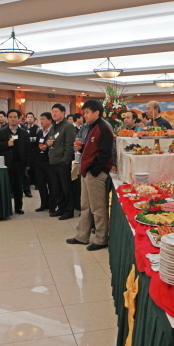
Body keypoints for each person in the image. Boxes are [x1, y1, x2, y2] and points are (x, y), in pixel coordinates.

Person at [67, 99, 114, 251]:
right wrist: (82, 150)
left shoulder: (104, 127)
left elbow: (106, 153)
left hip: (95, 173)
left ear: (96, 112)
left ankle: (101, 239)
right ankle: (82, 236)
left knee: (98, 208)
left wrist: (95, 170)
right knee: (85, 206)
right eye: (84, 112)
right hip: (86, 171)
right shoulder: (90, 127)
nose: (84, 115)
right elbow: (92, 149)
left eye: (87, 112)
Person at [0, 109, 32, 215]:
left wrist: (28, 164)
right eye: (10, 117)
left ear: (19, 119)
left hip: (19, 163)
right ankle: (6, 208)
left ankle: (18, 207)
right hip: (6, 163)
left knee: (19, 187)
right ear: (7, 118)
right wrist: (6, 144)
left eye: (15, 117)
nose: (12, 119)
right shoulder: (1, 132)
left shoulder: (24, 133)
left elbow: (28, 149)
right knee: (6, 187)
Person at [47, 103, 77, 220]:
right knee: (56, 188)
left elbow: (70, 145)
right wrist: (47, 143)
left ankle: (69, 211)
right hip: (53, 160)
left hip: (62, 162)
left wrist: (66, 160)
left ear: (63, 113)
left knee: (66, 188)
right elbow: (49, 140)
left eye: (56, 111)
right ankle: (61, 208)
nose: (53, 114)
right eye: (52, 111)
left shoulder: (68, 126)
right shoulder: (53, 126)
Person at [34, 112, 54, 212]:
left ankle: (51, 205)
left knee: (51, 184)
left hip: (49, 161)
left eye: (43, 119)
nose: (41, 121)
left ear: (50, 120)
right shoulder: (40, 132)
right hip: (40, 161)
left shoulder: (53, 132)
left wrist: (47, 148)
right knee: (41, 184)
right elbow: (36, 146)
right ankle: (43, 204)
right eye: (40, 119)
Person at [22, 112, 40, 198]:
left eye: (31, 117)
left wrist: (28, 139)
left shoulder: (37, 128)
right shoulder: (23, 128)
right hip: (26, 151)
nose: (29, 119)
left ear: (34, 119)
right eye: (28, 117)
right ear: (26, 118)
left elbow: (38, 139)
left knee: (35, 168)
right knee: (27, 169)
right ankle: (27, 185)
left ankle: (37, 184)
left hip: (34, 151)